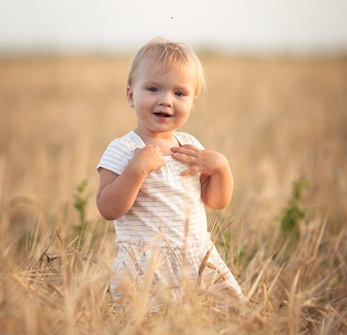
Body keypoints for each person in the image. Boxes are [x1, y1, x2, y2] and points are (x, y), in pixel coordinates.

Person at [96, 38, 244, 309]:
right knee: (147, 327)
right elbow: (108, 208)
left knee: (226, 317)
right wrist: (136, 170)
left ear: (193, 100)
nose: (165, 100)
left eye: (179, 93)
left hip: (197, 258)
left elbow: (216, 202)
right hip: (147, 266)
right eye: (153, 89)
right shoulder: (125, 150)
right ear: (131, 95)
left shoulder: (190, 147)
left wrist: (221, 167)